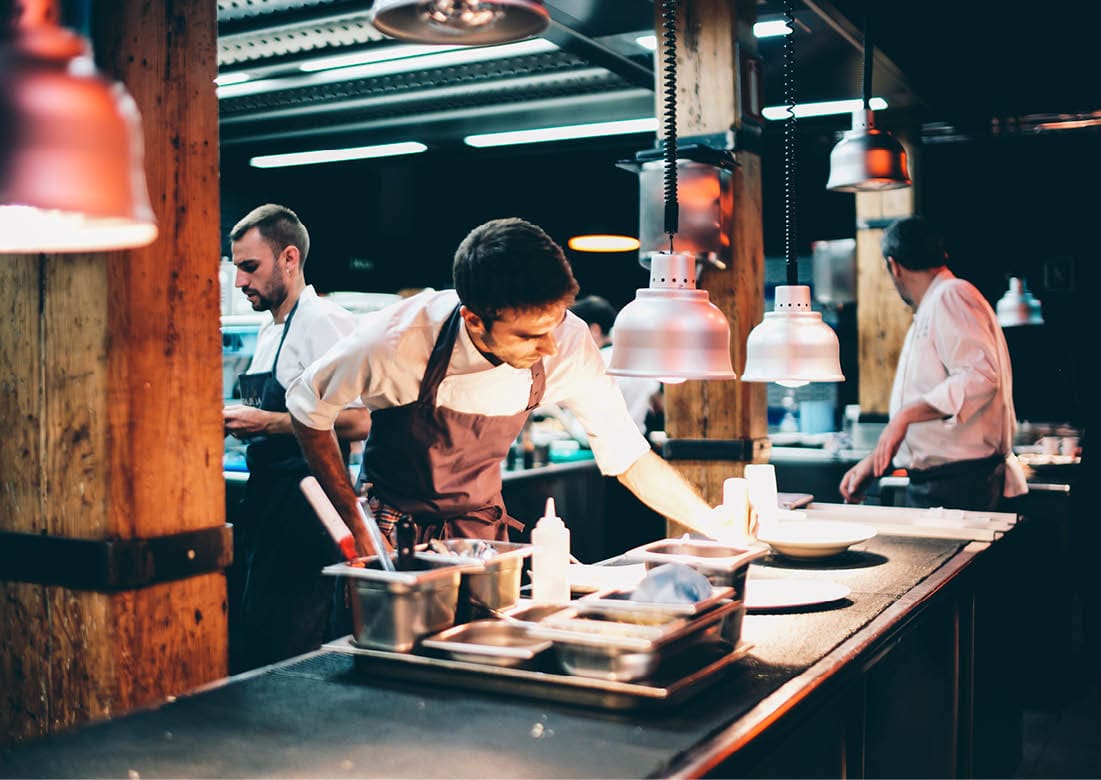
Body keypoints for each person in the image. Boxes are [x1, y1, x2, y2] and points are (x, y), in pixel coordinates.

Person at [286, 217, 744, 554]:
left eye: (554, 324)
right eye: (528, 335)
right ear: (474, 321)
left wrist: (710, 522)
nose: (548, 347)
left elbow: (627, 455)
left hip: (482, 538)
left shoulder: (568, 341)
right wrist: (356, 522)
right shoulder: (394, 341)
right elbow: (308, 410)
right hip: (392, 537)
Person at [222, 204, 371, 670]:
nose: (240, 282)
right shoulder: (270, 332)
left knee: (293, 643)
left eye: (250, 268)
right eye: (237, 269)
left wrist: (263, 423)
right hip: (268, 503)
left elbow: (359, 420)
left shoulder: (324, 321)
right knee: (259, 634)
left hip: (310, 506)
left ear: (289, 258)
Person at [838, 216, 1027, 511]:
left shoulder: (950, 294)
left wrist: (905, 416)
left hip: (957, 484)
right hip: (944, 482)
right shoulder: (936, 302)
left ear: (894, 266)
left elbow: (979, 377)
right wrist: (873, 463)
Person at [566, 295, 663, 438]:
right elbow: (657, 404)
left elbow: (586, 432)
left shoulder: (594, 364)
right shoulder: (637, 359)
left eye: (574, 333)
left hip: (601, 450)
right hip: (638, 444)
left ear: (594, 330)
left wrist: (555, 413)